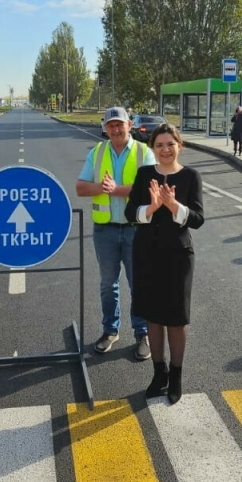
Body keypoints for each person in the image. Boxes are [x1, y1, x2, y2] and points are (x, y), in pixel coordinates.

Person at [126, 123, 205, 404]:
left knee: (176, 317)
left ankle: (176, 374)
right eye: (159, 145)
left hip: (178, 257)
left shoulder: (191, 176)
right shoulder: (145, 174)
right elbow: (129, 213)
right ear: (153, 149)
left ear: (179, 145)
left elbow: (197, 218)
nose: (165, 149)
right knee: (153, 316)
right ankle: (158, 373)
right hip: (147, 254)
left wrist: (174, 207)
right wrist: (152, 207)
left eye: (170, 144)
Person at [76, 107, 155, 360]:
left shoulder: (144, 152)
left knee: (139, 285)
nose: (116, 129)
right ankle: (110, 331)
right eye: (111, 125)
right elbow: (80, 187)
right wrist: (101, 187)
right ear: (105, 128)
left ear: (129, 125)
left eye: (119, 124)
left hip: (137, 230)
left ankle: (142, 333)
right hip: (105, 230)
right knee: (108, 286)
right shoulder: (97, 152)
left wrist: (117, 190)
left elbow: (153, 189)